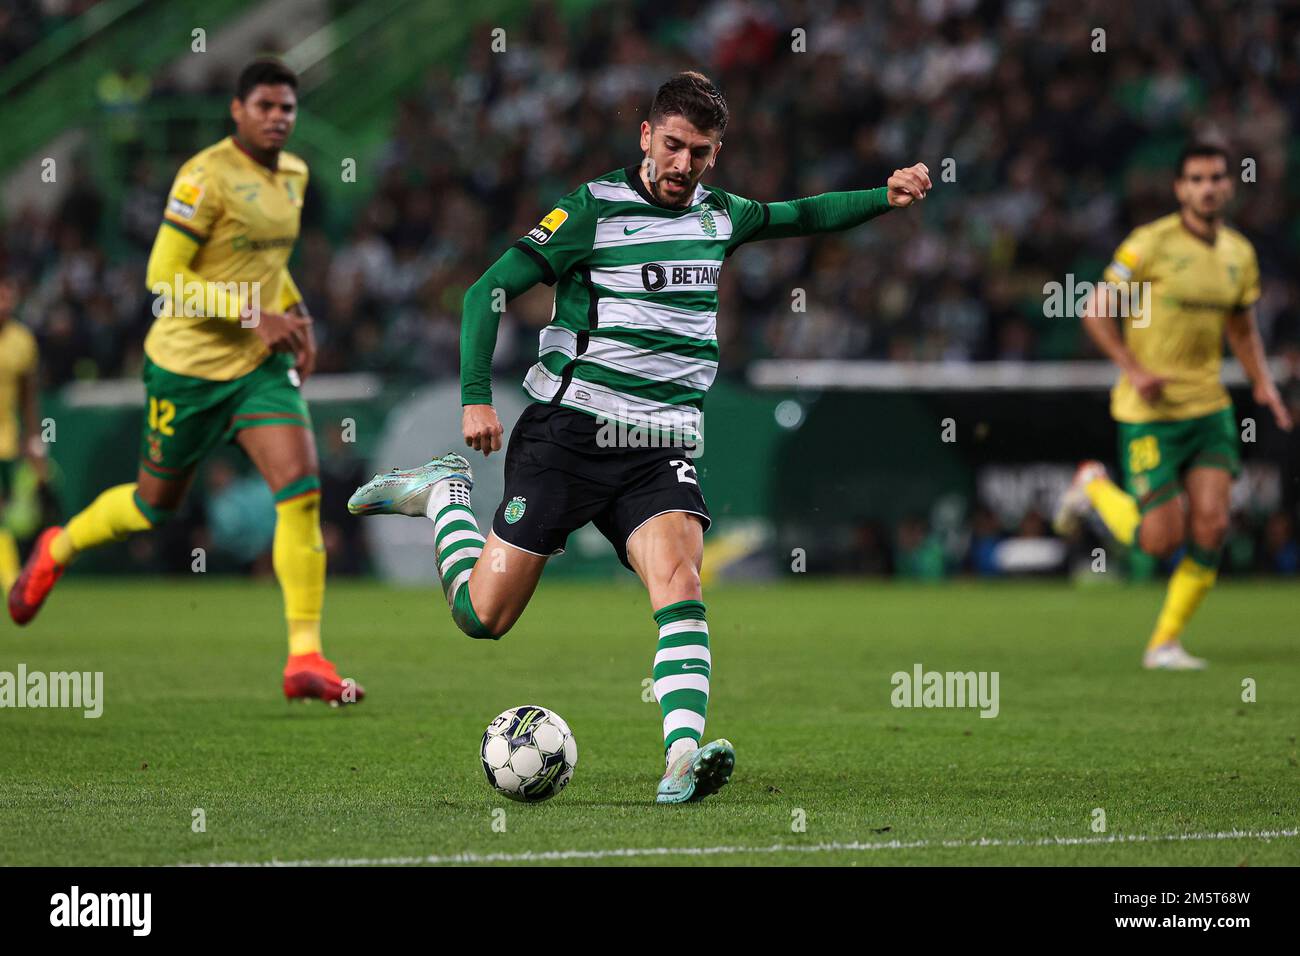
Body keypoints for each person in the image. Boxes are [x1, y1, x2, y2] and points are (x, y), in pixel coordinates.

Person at [348, 72, 931, 800]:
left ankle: (681, 758)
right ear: (647, 136)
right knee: (482, 618)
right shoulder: (593, 209)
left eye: (702, 151)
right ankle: (442, 495)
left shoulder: (723, 215)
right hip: (568, 435)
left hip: (657, 447)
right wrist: (475, 398)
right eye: (675, 145)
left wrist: (884, 195)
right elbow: (485, 290)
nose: (685, 164)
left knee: (681, 582)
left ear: (716, 155)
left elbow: (804, 213)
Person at [9, 60, 364, 704]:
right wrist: (254, 314)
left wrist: (297, 314)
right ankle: (58, 548)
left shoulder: (296, 174)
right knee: (153, 507)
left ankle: (304, 657)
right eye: (265, 105)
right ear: (237, 110)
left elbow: (267, 265)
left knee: (301, 489)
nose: (279, 117)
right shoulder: (204, 177)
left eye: (287, 107)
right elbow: (163, 275)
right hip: (188, 369)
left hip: (257, 370)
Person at [1055, 143, 1293, 669]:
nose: (1207, 187)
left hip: (1209, 410)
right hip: (1150, 416)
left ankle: (1163, 643)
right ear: (1180, 188)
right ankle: (1094, 485)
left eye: (1216, 178)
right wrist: (1133, 369)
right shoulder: (1150, 245)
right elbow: (1095, 310)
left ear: (1229, 185)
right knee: (1160, 541)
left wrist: (1263, 384)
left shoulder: (1239, 254)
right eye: (1196, 179)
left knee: (1211, 526)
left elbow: (1241, 327)